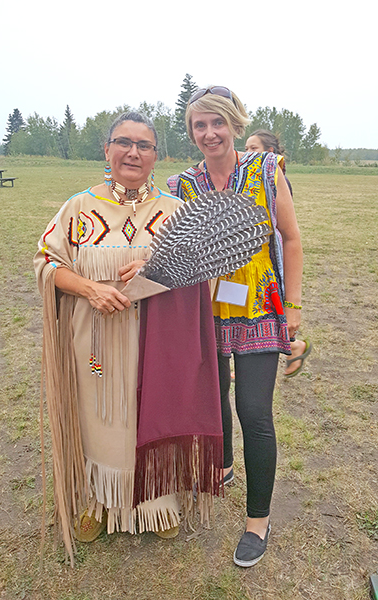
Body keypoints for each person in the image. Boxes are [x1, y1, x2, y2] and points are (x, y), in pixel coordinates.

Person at [34, 111, 223, 565]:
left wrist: (155, 271)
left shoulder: (175, 213)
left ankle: (157, 502)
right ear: (107, 150)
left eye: (144, 145)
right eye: (123, 142)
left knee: (153, 412)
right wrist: (89, 288)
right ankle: (101, 501)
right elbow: (45, 261)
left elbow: (203, 278)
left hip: (158, 345)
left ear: (157, 156)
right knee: (101, 419)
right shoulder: (78, 208)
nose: (133, 152)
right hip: (95, 343)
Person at [167, 86, 303, 567]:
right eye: (199, 126)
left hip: (261, 310)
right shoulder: (182, 186)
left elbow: (289, 236)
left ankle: (258, 521)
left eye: (217, 123)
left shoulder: (266, 171)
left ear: (235, 124)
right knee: (212, 401)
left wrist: (294, 308)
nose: (209, 133)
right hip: (205, 312)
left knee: (253, 412)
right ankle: (222, 467)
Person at [245, 129, 312, 377]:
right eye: (246, 148)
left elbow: (284, 230)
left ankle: (295, 345)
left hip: (275, 259)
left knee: (276, 310)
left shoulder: (274, 179)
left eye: (253, 149)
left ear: (269, 153)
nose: (247, 153)